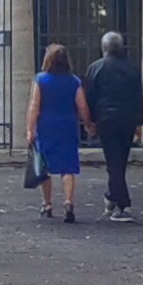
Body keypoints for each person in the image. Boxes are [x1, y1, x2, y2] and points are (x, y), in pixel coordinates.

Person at [27, 43, 93, 223]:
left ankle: (47, 203)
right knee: (68, 166)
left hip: (46, 126)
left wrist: (30, 128)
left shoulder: (41, 79)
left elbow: (34, 106)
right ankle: (68, 202)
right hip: (67, 125)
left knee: (44, 166)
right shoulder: (74, 81)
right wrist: (88, 123)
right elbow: (82, 105)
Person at [83, 31, 143, 222]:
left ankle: (122, 204)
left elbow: (89, 96)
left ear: (104, 48)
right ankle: (112, 196)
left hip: (106, 119)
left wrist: (90, 121)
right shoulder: (132, 68)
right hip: (127, 119)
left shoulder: (96, 68)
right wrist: (139, 121)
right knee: (119, 161)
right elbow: (138, 96)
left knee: (113, 162)